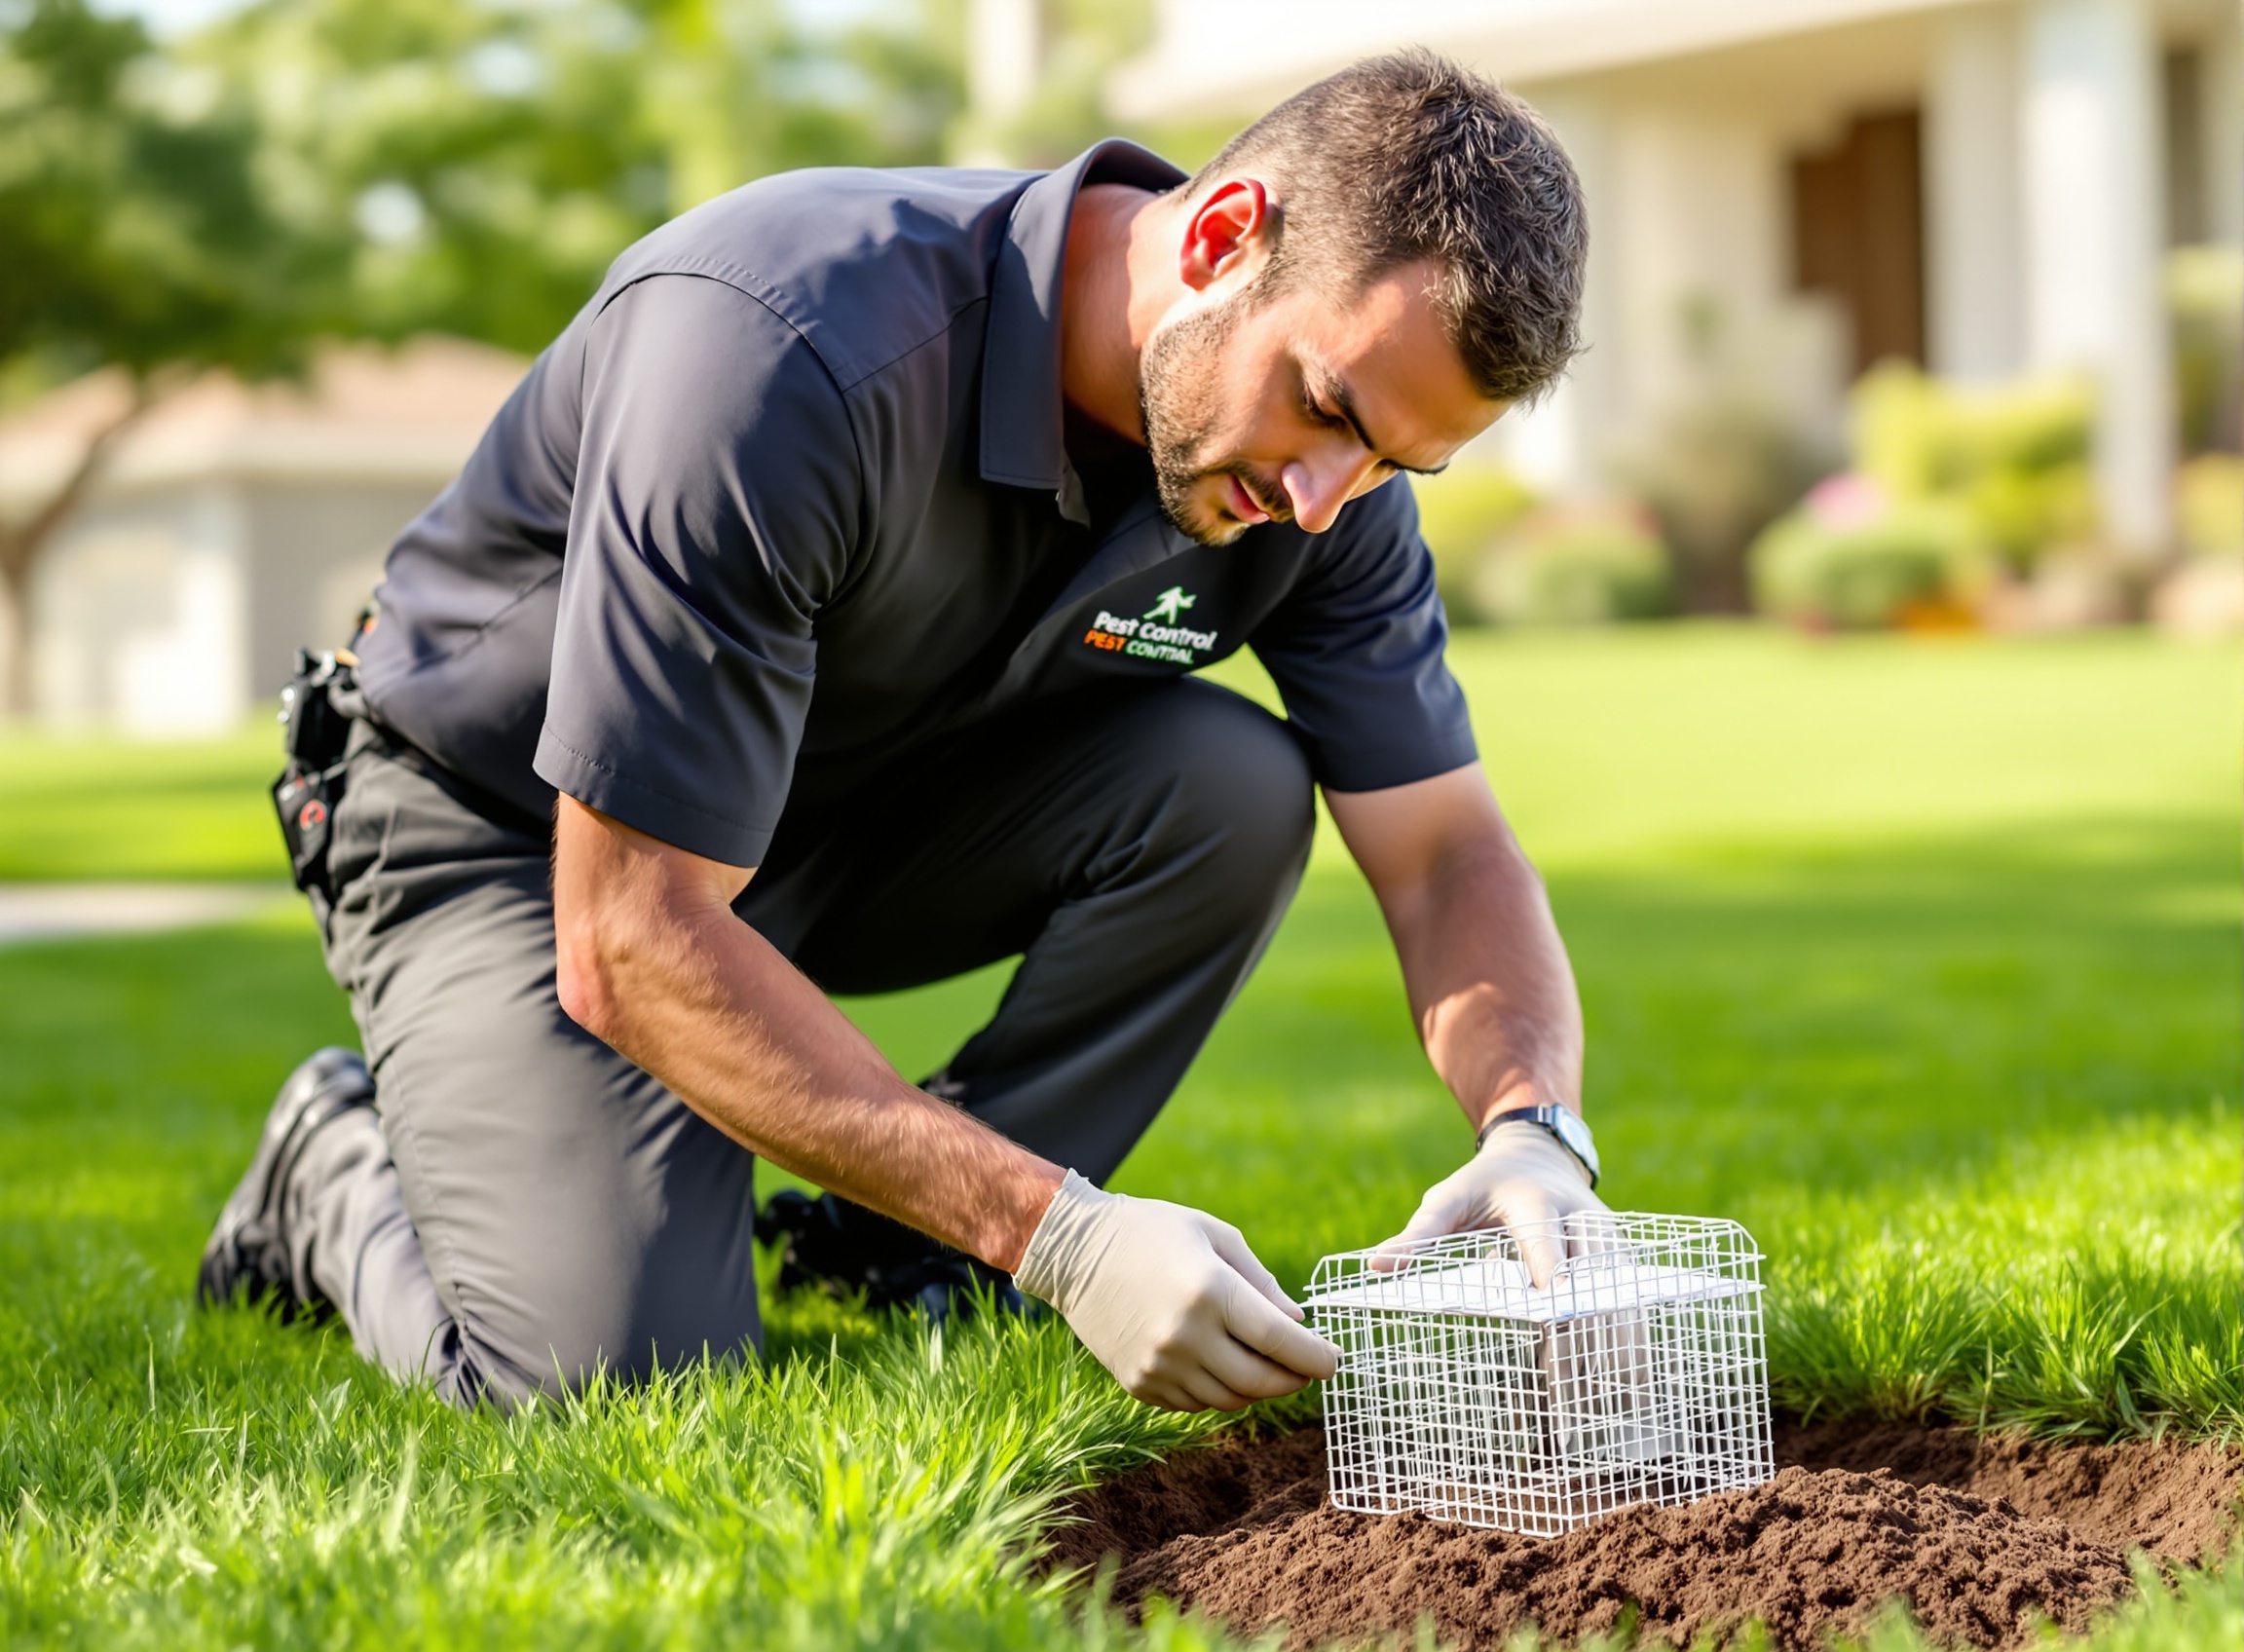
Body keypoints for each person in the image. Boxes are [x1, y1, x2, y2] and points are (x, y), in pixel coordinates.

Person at [198, 49, 1610, 1415]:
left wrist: (1534, 1129)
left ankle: (906, 1252)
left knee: (1229, 787)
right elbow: (631, 930)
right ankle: (331, 1167)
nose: (1324, 500)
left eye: (1390, 466)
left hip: (830, 809)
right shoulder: (781, 350)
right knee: (607, 1383)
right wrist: (1062, 1232)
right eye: (1328, 409)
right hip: (508, 833)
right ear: (1227, 234)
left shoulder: (1321, 499)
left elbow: (1441, 853)